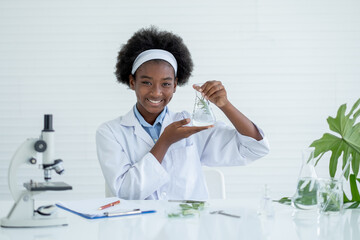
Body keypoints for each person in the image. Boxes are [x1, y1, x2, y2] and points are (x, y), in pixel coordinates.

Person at [96, 26, 270, 200]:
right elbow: (126, 193)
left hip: (189, 224)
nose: (156, 93)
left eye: (165, 84)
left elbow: (255, 148)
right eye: (147, 83)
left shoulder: (192, 125)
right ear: (132, 82)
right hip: (138, 225)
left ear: (175, 85)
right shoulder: (110, 132)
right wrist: (165, 141)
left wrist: (225, 105)